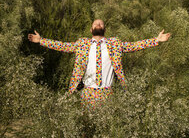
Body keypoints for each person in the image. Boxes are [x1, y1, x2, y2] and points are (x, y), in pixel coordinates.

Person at [28, 19, 171, 108]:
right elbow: (63, 46)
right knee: (86, 130)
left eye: (101, 23)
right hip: (87, 93)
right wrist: (41, 41)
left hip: (107, 93)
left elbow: (134, 45)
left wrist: (156, 40)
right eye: (95, 23)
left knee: (105, 132)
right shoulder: (82, 44)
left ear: (104, 29)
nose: (98, 24)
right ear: (91, 29)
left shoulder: (114, 44)